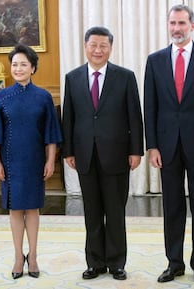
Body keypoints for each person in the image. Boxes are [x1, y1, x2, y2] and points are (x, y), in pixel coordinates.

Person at [144, 4, 194, 284]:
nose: (176, 28)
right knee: (172, 207)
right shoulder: (154, 61)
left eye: (181, 23)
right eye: (172, 23)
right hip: (166, 147)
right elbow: (150, 107)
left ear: (192, 25)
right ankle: (174, 263)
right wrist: (152, 146)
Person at [62, 26, 144, 281]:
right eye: (93, 45)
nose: (98, 50)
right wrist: (69, 151)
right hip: (85, 154)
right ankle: (95, 262)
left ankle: (117, 262)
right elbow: (69, 118)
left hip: (117, 155)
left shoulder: (125, 77)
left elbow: (134, 116)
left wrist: (136, 151)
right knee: (92, 211)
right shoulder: (73, 78)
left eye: (103, 46)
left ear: (110, 48)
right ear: (85, 47)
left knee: (115, 211)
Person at [0, 44, 62, 279]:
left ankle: (34, 256)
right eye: (14, 64)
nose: (18, 68)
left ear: (33, 68)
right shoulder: (0, 96)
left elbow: (51, 134)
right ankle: (19, 257)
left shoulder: (43, 97)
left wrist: (50, 161)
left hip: (35, 160)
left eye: (23, 64)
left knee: (33, 208)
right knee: (15, 208)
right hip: (10, 161)